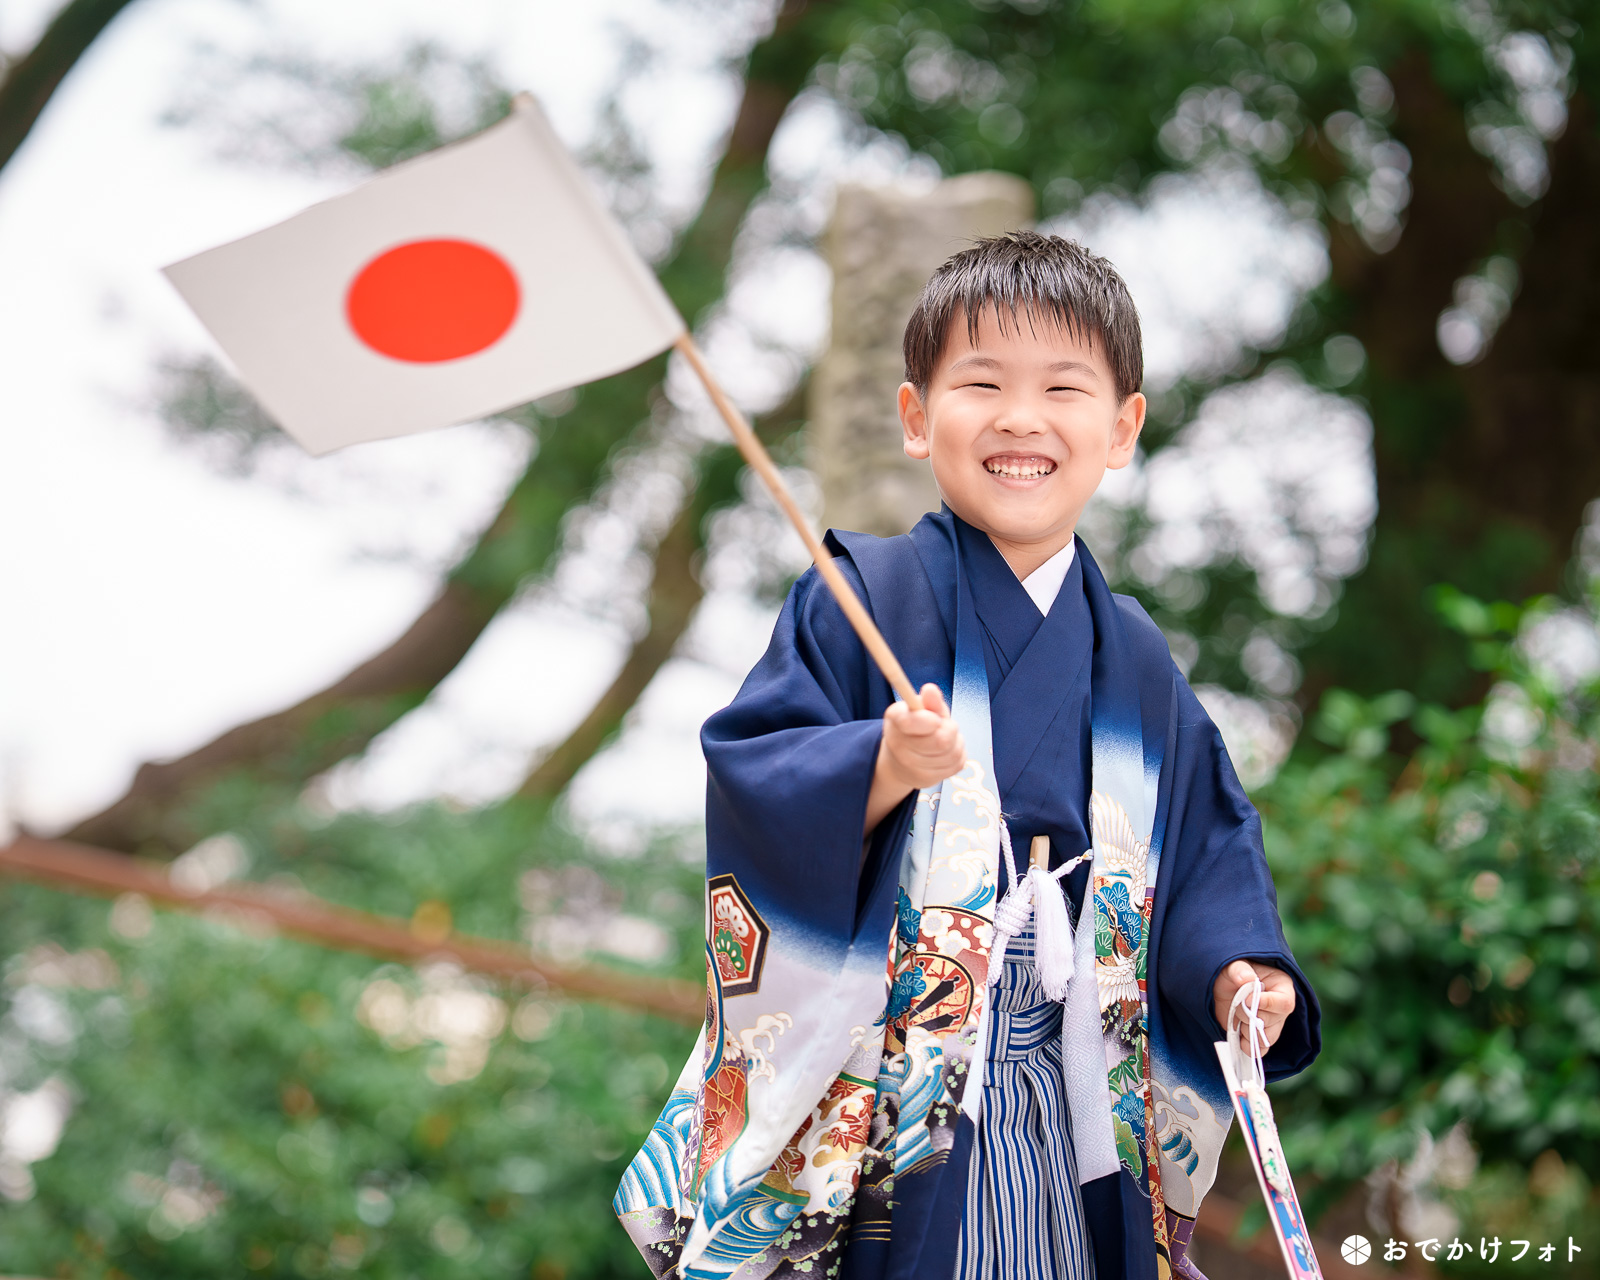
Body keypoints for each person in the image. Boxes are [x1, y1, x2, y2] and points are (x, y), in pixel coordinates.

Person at [615, 231, 1320, 1280]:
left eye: (1064, 388)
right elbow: (757, 772)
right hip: (897, 1094)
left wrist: (1238, 971)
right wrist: (880, 766)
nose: (1020, 419)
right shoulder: (860, 597)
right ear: (915, 417)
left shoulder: (1134, 656)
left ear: (1122, 426)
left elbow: (1207, 845)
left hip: (1074, 1079)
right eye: (980, 382)